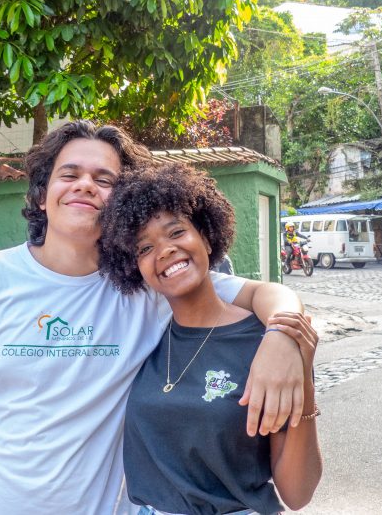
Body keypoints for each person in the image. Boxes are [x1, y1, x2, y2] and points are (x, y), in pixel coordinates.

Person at [0, 121, 306, 515]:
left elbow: (264, 294)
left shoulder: (146, 283)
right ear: (42, 196)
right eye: (70, 174)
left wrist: (281, 339)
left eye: (104, 179)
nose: (85, 185)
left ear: (121, 205)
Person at [98, 164, 323, 515]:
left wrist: (303, 378)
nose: (164, 251)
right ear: (134, 267)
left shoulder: (264, 342)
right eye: (144, 248)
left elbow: (297, 493)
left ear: (205, 234)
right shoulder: (145, 335)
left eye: (176, 232)